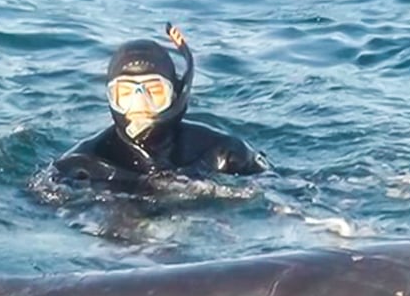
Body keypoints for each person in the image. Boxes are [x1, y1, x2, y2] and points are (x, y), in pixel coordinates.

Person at [51, 23, 267, 188]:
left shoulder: (224, 152)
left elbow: (284, 194)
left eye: (154, 91)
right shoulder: (80, 165)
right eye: (125, 92)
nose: (139, 103)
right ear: (110, 97)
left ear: (176, 93)